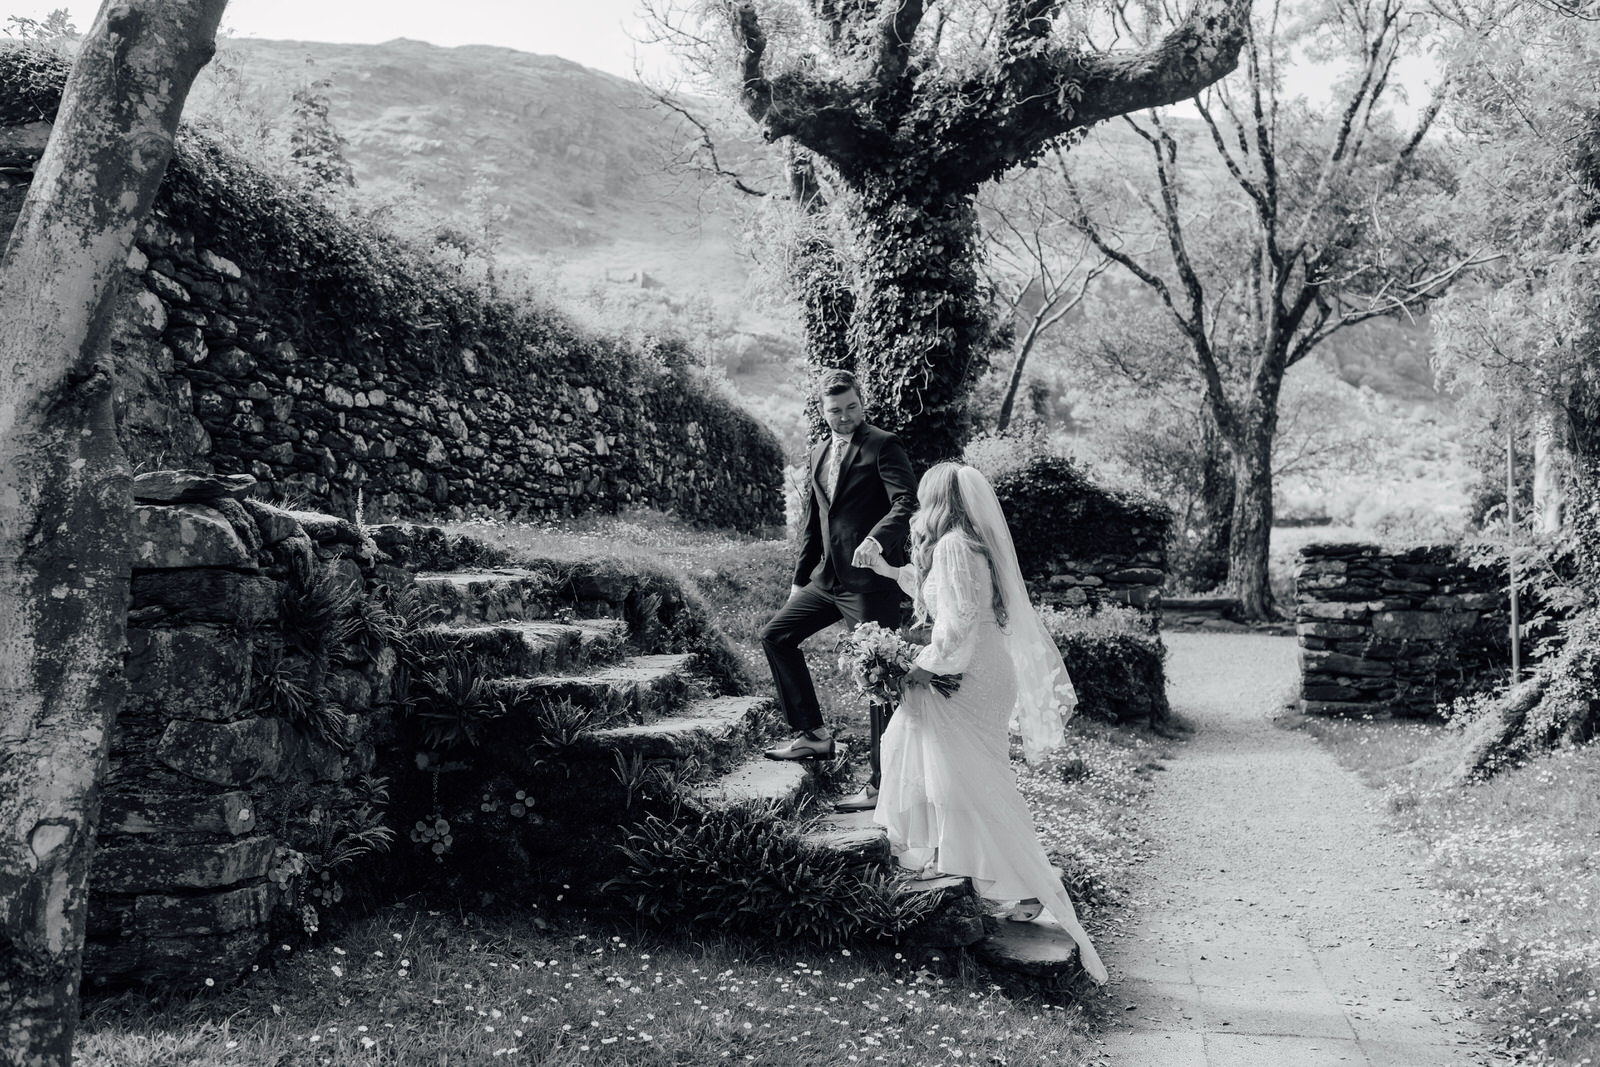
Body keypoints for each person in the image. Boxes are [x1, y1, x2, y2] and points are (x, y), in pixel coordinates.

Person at [857, 462, 1109, 985]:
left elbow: (957, 621)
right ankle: (993, 875)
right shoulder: (971, 543)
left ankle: (1006, 879)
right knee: (970, 771)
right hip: (988, 666)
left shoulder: (951, 546)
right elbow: (943, 596)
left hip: (967, 669)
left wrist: (924, 666)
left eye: (925, 495)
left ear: (940, 499)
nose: (919, 503)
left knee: (951, 763)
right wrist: (887, 571)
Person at [761, 370, 917, 812]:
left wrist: (877, 539)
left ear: (861, 402)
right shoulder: (816, 454)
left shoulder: (883, 445)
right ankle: (812, 735)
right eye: (835, 410)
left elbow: (906, 501)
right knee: (776, 635)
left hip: (870, 584)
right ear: (822, 411)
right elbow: (814, 524)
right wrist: (798, 580)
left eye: (851, 407)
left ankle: (882, 784)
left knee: (878, 677)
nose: (844, 417)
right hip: (826, 580)